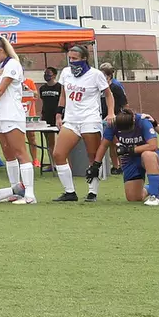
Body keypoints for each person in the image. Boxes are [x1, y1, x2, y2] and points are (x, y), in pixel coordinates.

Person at [50, 45, 112, 203]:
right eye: (70, 58)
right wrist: (58, 114)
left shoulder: (95, 74)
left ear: (84, 58)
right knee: (58, 154)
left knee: (92, 156)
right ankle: (69, 191)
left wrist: (111, 113)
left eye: (75, 58)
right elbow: (63, 95)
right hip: (71, 120)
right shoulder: (66, 72)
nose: (72, 61)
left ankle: (92, 192)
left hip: (90, 119)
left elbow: (108, 94)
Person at [0, 37, 35, 204]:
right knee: (8, 154)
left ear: (0, 50)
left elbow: (1, 91)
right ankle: (16, 191)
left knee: (20, 153)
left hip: (12, 114)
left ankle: (30, 195)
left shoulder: (12, 64)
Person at [103, 108, 159, 205]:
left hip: (151, 156)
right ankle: (153, 187)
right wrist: (96, 165)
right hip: (130, 159)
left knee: (147, 155)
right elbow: (103, 145)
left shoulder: (143, 121)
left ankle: (155, 196)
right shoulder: (114, 124)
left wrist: (129, 149)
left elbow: (153, 146)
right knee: (133, 197)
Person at [36, 69, 64, 133]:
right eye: (45, 73)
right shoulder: (42, 88)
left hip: (57, 115)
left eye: (48, 73)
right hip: (46, 115)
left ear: (54, 75)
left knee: (61, 134)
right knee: (48, 135)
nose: (46, 75)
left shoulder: (60, 87)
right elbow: (42, 100)